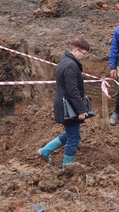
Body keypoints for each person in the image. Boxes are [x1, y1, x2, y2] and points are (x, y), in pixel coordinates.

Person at [38, 37, 93, 168]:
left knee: (71, 134)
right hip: (68, 107)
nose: (85, 57)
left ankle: (45, 151)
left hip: (66, 105)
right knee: (74, 138)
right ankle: (67, 167)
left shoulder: (67, 61)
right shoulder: (70, 66)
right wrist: (81, 110)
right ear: (76, 50)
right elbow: (72, 90)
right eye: (84, 53)